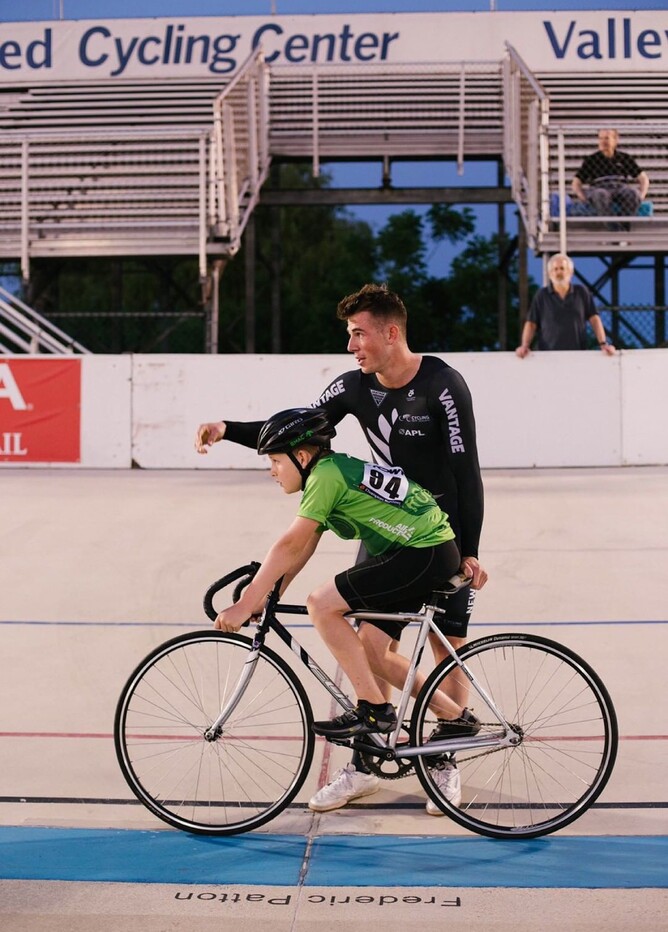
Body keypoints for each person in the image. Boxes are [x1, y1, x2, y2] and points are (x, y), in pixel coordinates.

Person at [196, 283, 487, 814]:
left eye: (358, 334)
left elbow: (468, 473)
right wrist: (227, 429)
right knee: (371, 648)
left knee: (446, 645)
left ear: (391, 333)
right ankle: (367, 764)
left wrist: (470, 550)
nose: (351, 346)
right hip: (383, 530)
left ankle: (444, 755)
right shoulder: (354, 387)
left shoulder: (443, 385)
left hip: (436, 534)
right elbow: (294, 432)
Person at [213, 406, 481, 748]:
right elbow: (302, 548)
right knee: (372, 650)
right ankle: (456, 718)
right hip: (425, 551)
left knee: (321, 604)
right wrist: (269, 596)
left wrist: (245, 602)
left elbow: (289, 544)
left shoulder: (326, 477)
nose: (272, 471)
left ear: (301, 456)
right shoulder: (331, 471)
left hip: (422, 551)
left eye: (276, 461)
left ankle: (373, 709)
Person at [515, 254, 616, 357]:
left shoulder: (582, 292)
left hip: (577, 355)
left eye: (562, 268)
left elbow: (594, 319)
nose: (559, 272)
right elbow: (531, 323)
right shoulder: (542, 295)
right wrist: (524, 345)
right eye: (555, 269)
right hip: (547, 356)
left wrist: (603, 344)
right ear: (550, 274)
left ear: (570, 272)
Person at [571, 128, 649, 218]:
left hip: (620, 188)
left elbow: (643, 178)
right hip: (599, 188)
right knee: (601, 195)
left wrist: (641, 195)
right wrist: (583, 198)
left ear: (615, 140)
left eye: (607, 138)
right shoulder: (591, 159)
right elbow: (576, 182)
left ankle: (624, 223)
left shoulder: (624, 158)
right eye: (600, 138)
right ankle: (611, 225)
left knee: (632, 194)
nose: (603, 141)